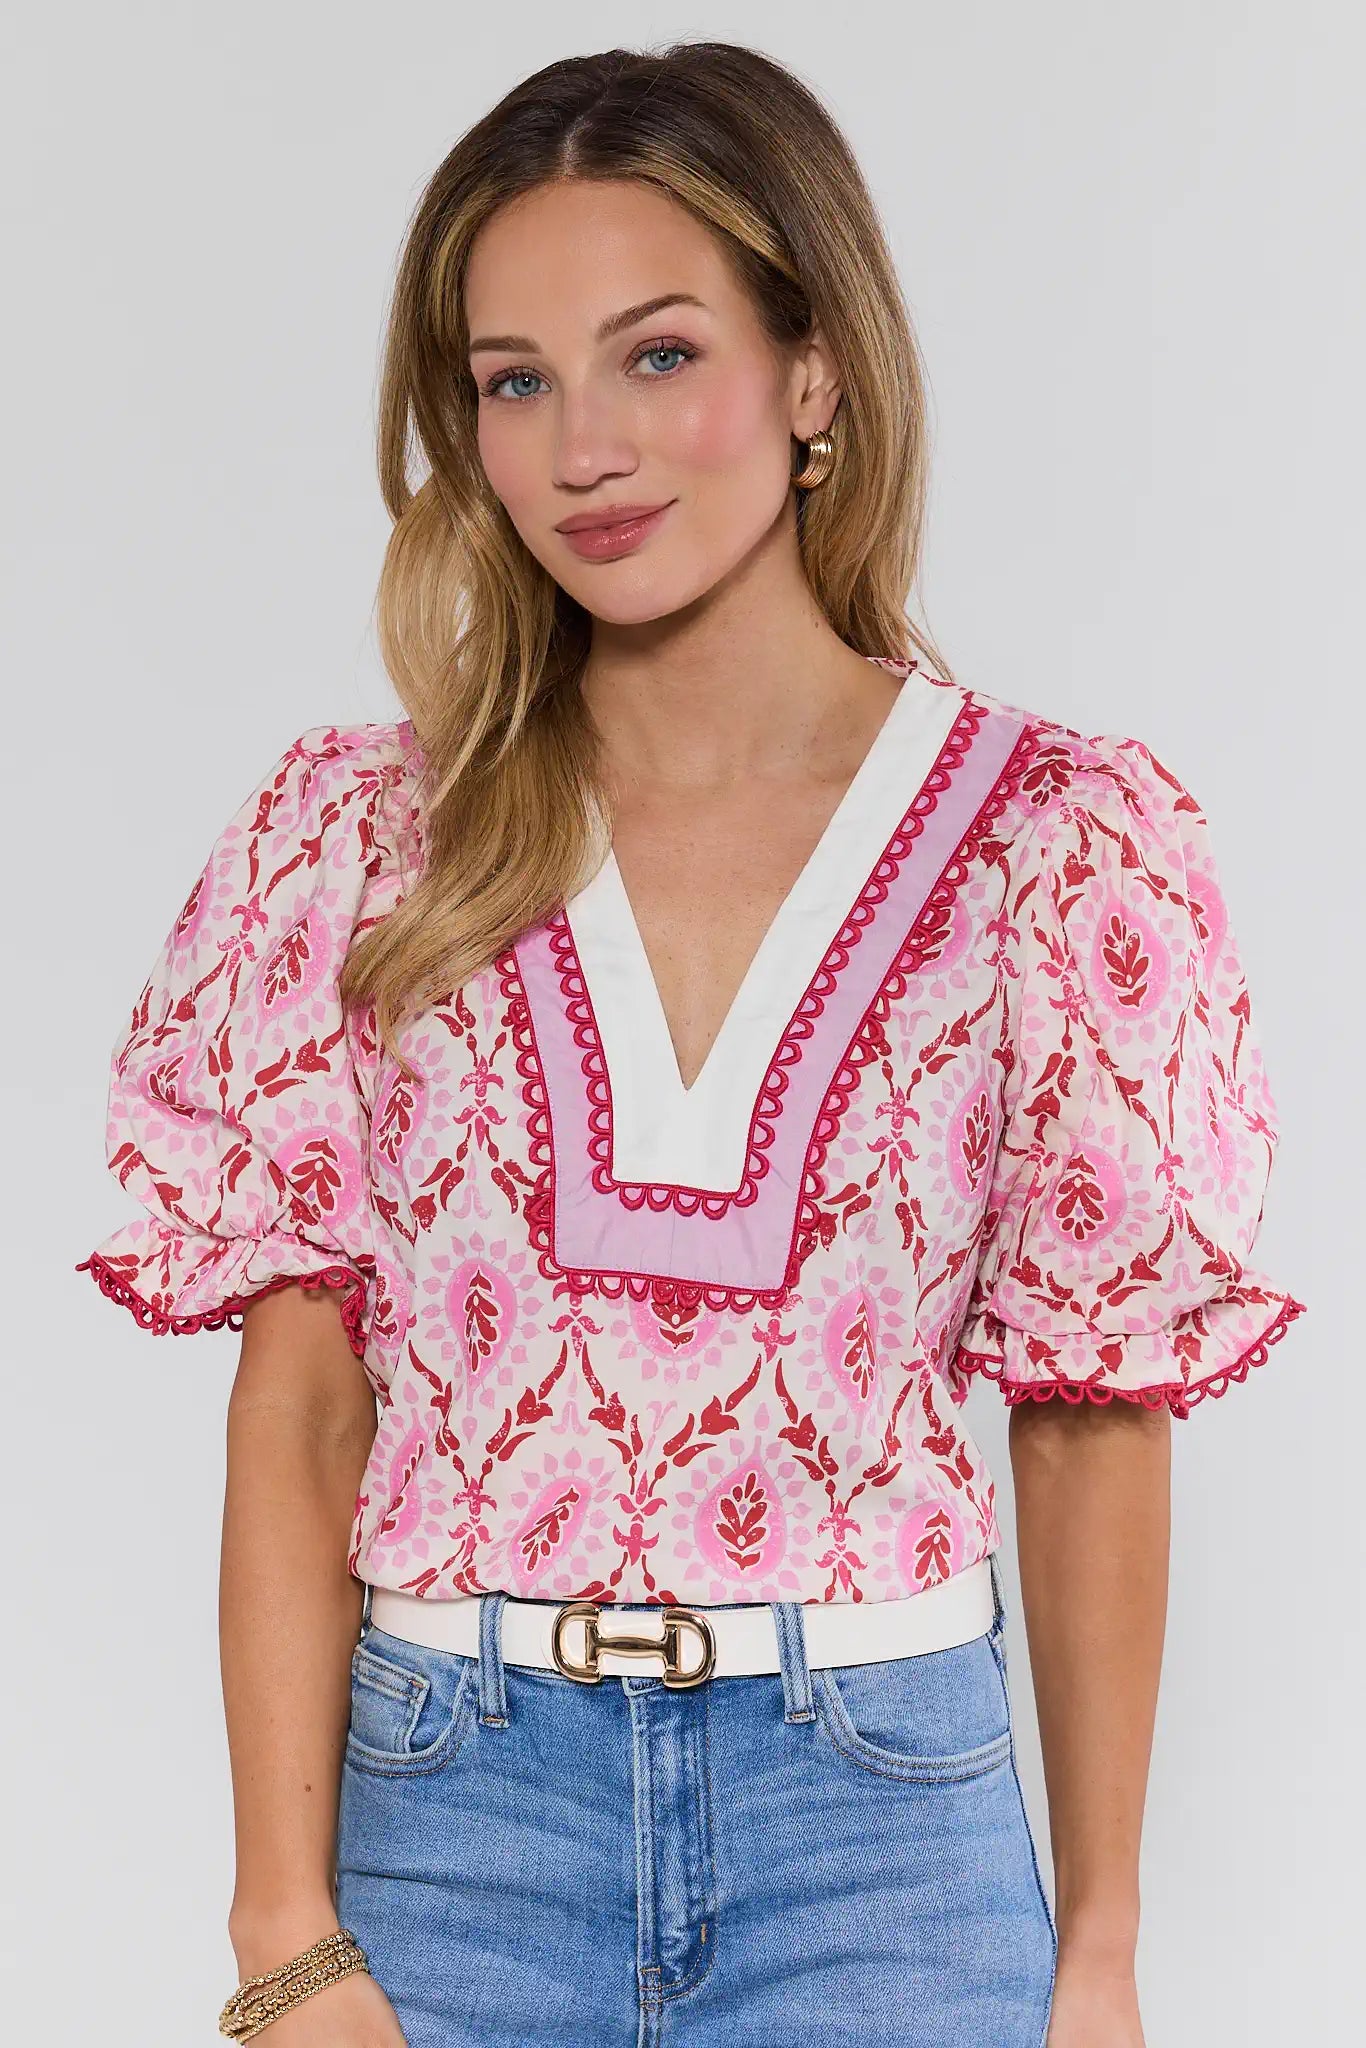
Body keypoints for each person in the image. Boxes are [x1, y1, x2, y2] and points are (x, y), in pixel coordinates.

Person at [78, 40, 1307, 2048]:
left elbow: (1090, 1417)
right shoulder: (362, 840)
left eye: (656, 354)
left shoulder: (1050, 845)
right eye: (513, 380)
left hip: (883, 1836)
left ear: (811, 372)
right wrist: (284, 1932)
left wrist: (1097, 1950)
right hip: (453, 1820)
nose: (584, 448)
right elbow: (301, 1409)